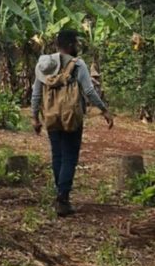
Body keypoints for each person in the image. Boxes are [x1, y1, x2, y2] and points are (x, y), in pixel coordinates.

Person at [31, 29, 113, 217]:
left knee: (57, 155)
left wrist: (35, 117)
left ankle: (60, 193)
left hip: (50, 116)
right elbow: (90, 92)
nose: (77, 46)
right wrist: (105, 111)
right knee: (69, 156)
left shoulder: (43, 65)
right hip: (71, 116)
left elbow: (36, 94)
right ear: (69, 45)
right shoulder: (78, 64)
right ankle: (63, 197)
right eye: (75, 43)